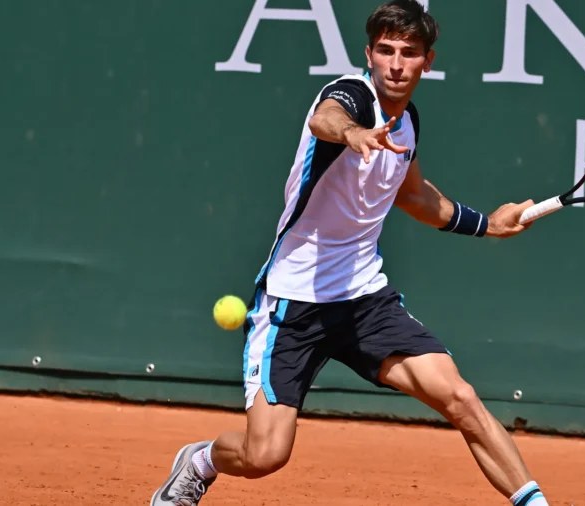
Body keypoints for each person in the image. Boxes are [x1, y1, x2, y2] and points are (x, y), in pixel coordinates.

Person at [150, 1, 550, 505]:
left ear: (428, 62)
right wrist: (354, 134)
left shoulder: (406, 126)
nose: (396, 63)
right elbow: (326, 118)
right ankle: (200, 460)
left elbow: (415, 196)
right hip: (294, 303)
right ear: (369, 54)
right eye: (385, 51)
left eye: (409, 53)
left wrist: (488, 224)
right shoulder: (351, 97)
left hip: (364, 300)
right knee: (265, 455)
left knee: (460, 396)